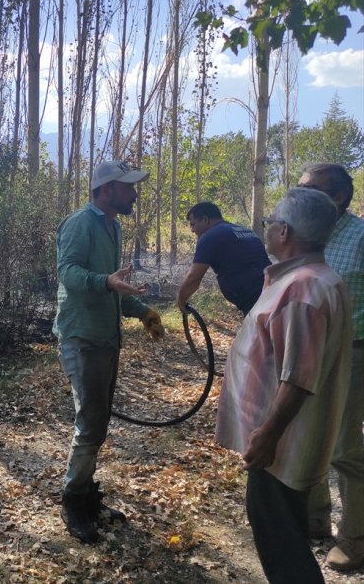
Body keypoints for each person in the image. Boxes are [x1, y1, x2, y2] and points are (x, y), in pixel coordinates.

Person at [215, 187, 351, 584]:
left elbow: (298, 378)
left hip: (282, 449)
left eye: (270, 221)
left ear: (285, 233)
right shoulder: (316, 279)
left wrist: (267, 436)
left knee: (282, 548)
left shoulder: (302, 290)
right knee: (284, 536)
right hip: (287, 444)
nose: (267, 228)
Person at [53, 160, 165, 544]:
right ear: (105, 190)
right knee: (89, 426)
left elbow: (111, 287)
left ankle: (86, 494)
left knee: (97, 424)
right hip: (82, 338)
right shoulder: (79, 224)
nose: (134, 193)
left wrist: (141, 311)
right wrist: (106, 281)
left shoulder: (113, 227)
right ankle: (73, 501)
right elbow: (67, 272)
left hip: (105, 338)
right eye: (127, 186)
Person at [298, 163, 364, 572]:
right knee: (309, 437)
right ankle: (315, 517)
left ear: (338, 197)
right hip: (310, 350)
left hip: (352, 352)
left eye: (311, 189)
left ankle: (355, 539)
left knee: (345, 448)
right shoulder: (307, 235)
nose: (301, 195)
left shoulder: (360, 237)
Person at [176, 202, 271, 315]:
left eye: (193, 224)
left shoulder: (211, 236)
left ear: (205, 220)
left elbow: (193, 279)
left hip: (256, 303)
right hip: (271, 292)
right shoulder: (246, 231)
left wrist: (181, 301)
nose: (192, 230)